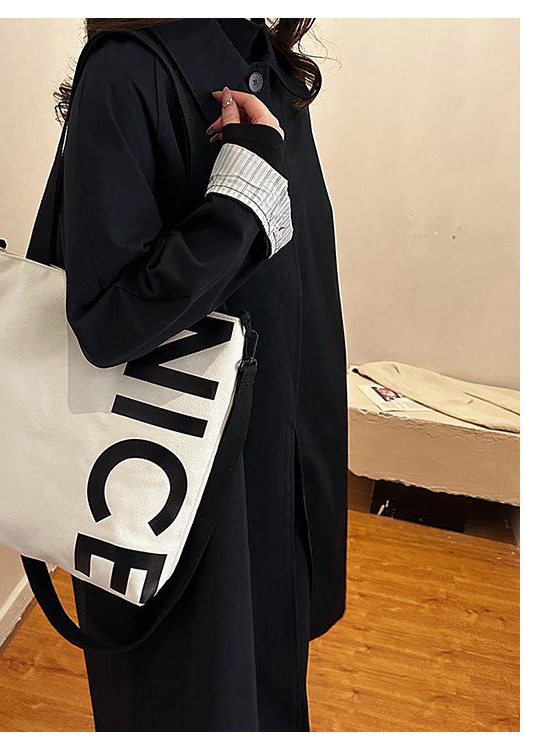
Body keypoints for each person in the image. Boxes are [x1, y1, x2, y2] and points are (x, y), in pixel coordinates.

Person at [23, 18, 347, 731]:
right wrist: (242, 194)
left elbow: (302, 304)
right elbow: (109, 320)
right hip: (178, 499)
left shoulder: (270, 70)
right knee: (189, 707)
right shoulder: (129, 71)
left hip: (271, 481)